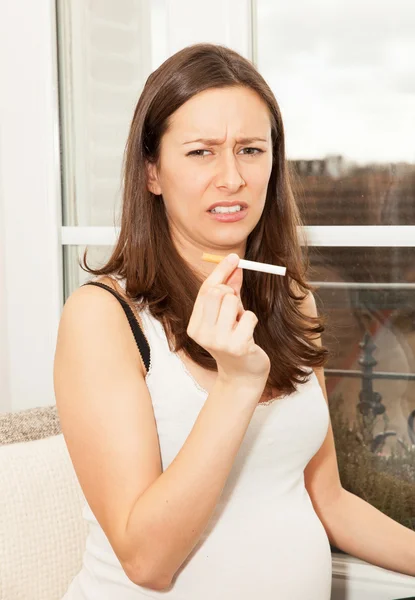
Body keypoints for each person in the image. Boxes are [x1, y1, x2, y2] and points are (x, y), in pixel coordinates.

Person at [54, 43, 415, 600]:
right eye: (201, 152)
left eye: (250, 149)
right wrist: (237, 384)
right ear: (152, 172)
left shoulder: (294, 301)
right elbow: (148, 561)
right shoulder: (103, 318)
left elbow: (331, 503)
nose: (232, 177)